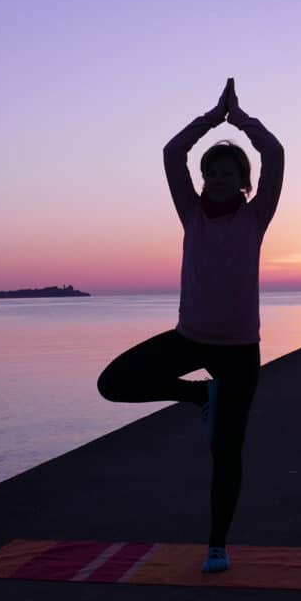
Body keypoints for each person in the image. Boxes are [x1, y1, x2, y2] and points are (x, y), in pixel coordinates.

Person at [97, 78, 284, 573]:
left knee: (227, 451)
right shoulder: (191, 213)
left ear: (244, 181)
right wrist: (211, 118)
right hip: (190, 339)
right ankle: (199, 395)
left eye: (228, 173)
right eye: (211, 172)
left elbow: (274, 153)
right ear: (202, 179)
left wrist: (239, 119)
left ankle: (217, 546)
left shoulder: (256, 218)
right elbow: (172, 152)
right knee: (113, 383)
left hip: (239, 351)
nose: (218, 179)